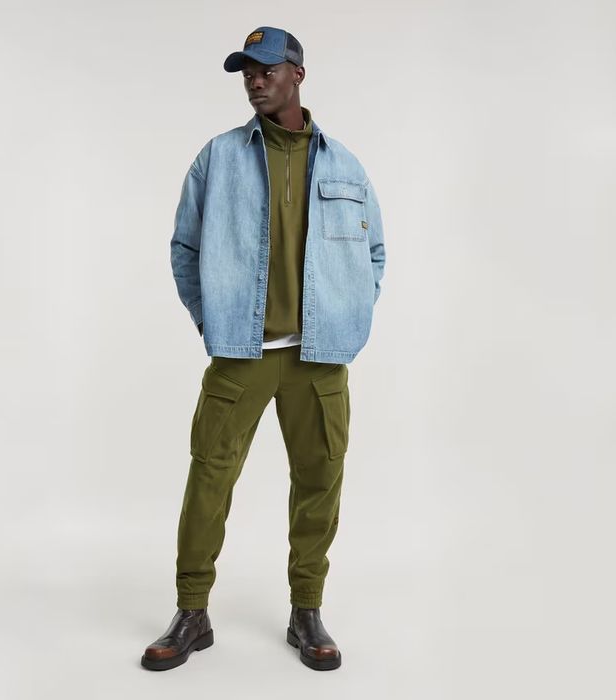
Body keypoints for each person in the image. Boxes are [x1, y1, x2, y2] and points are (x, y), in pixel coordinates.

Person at [141, 25, 386, 672]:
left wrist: (349, 318)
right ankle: (192, 612)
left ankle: (307, 611)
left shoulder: (345, 165)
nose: (254, 81)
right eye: (246, 72)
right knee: (209, 478)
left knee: (319, 481)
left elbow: (374, 253)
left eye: (266, 69)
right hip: (241, 355)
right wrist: (214, 321)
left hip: (319, 359)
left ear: (297, 74)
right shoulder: (218, 157)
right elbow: (185, 248)